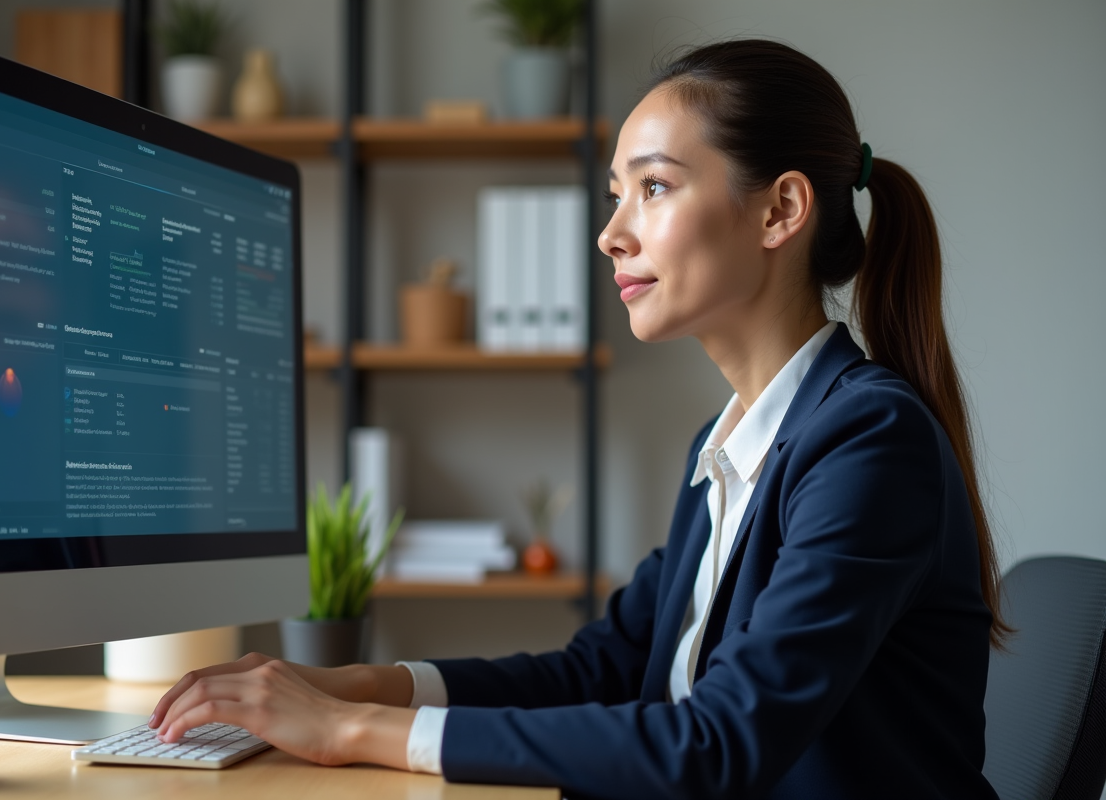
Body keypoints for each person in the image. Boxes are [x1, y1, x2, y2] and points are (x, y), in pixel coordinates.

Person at [148, 39, 1004, 800]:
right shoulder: (734, 447)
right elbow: (607, 668)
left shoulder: (866, 443)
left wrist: (349, 734)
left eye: (655, 187)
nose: (611, 235)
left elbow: (720, 743)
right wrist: (363, 686)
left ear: (781, 210)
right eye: (613, 195)